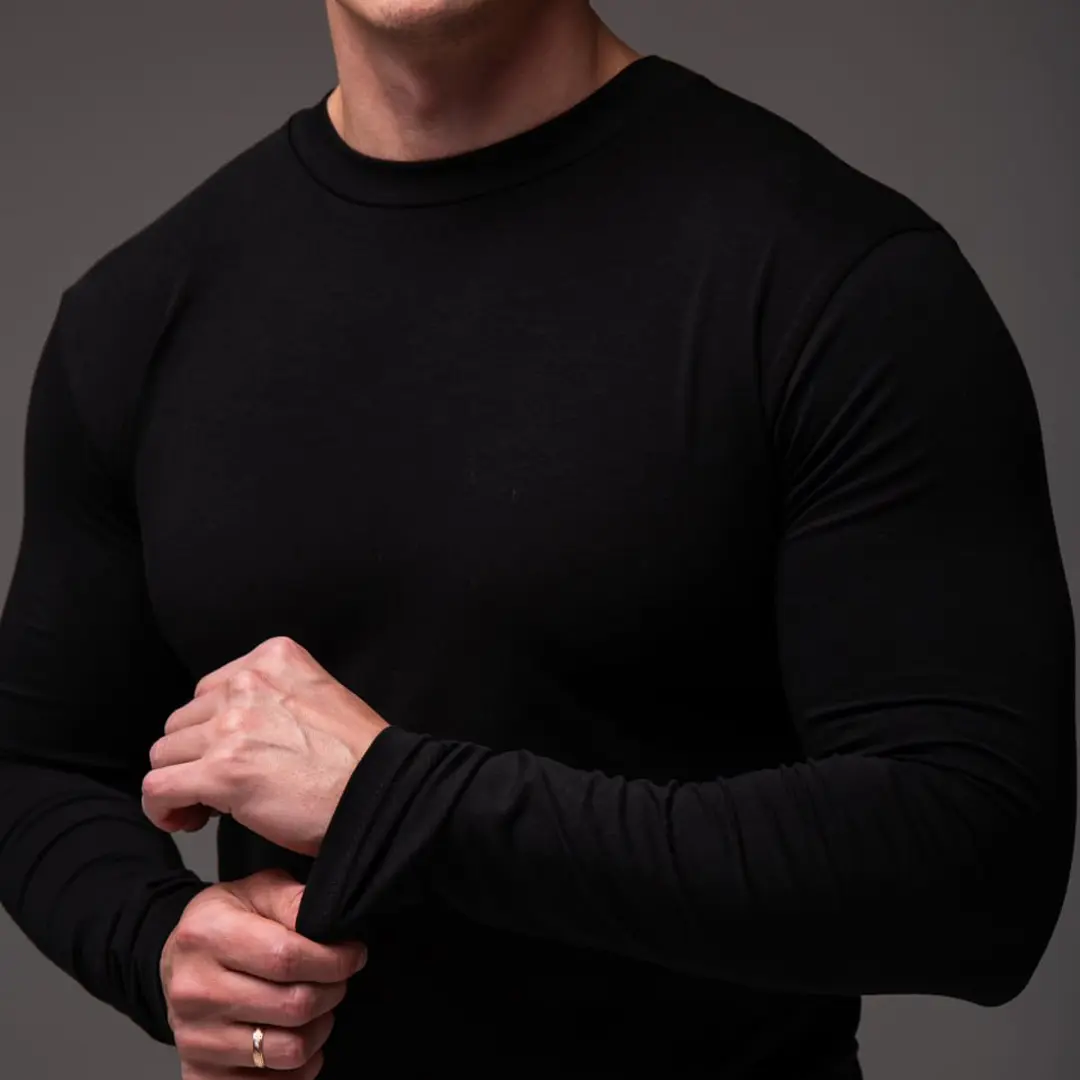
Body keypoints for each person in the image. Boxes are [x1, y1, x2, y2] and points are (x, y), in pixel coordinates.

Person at [0, 1, 1074, 1077]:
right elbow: (37, 760)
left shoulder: (841, 279)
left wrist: (394, 802)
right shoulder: (138, 311)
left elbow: (975, 862)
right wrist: (155, 940)